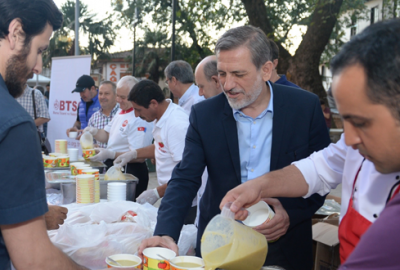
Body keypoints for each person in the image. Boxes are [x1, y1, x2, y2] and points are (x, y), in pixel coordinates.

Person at [138, 25, 330, 270]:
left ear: (266, 69)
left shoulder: (305, 108)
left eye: (238, 74)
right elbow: (185, 178)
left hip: (284, 245)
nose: (227, 85)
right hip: (220, 244)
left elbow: (323, 173)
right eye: (222, 74)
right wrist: (165, 233)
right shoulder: (204, 114)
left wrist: (290, 214)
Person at [220, 19, 400, 269]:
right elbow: (318, 168)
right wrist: (259, 186)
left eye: (361, 122)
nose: (348, 139)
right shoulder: (358, 146)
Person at [0, 0, 88, 269]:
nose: (38, 66)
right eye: (39, 50)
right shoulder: (15, 126)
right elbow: (36, 260)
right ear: (16, 33)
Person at [114, 80, 197, 224]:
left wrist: (156, 192)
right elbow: (161, 145)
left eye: (138, 110)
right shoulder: (160, 116)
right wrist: (133, 154)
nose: (136, 115)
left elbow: (187, 174)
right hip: (171, 194)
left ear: (153, 103)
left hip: (185, 201)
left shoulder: (176, 124)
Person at [84, 76, 153, 199]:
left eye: (123, 97)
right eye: (118, 96)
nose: (118, 100)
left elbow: (138, 156)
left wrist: (110, 153)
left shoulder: (139, 118)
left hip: (130, 170)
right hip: (116, 167)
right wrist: (94, 132)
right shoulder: (121, 111)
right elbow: (106, 135)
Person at [87, 80, 119, 148]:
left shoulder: (122, 114)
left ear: (116, 96)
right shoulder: (94, 118)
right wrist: (92, 147)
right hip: (99, 158)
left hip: (119, 158)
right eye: (100, 93)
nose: (102, 97)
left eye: (107, 93)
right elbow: (90, 143)